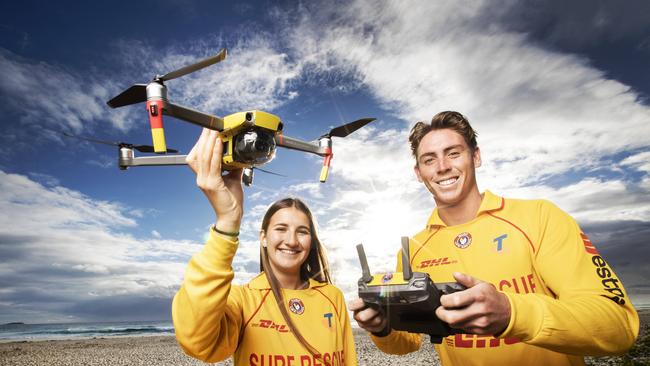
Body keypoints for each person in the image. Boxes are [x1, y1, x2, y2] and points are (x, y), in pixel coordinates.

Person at [349, 111, 639, 365]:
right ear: (419, 172)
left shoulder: (539, 217)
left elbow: (618, 326)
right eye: (429, 159)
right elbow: (407, 343)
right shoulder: (413, 249)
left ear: (476, 156)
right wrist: (382, 328)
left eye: (453, 153)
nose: (442, 167)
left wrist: (512, 313)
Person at [172, 128, 357, 365]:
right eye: (280, 229)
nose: (291, 240)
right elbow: (197, 342)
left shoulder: (332, 297)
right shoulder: (242, 300)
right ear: (263, 238)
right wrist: (228, 221)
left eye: (302, 231)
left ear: (311, 242)